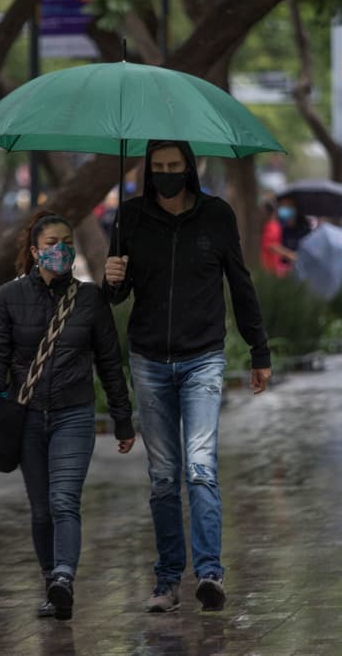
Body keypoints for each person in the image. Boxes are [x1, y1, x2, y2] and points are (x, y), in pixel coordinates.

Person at [104, 140, 272, 614]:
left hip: (203, 358)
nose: (166, 173)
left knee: (200, 468)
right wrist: (112, 277)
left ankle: (210, 572)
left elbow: (239, 282)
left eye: (174, 166)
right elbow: (115, 297)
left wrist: (259, 349)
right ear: (147, 171)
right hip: (149, 360)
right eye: (158, 167)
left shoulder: (216, 216)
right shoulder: (131, 217)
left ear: (190, 168)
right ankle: (167, 579)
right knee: (163, 477)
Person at [0, 210, 135, 621]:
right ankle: (51, 583)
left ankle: (64, 577)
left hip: (73, 414)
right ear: (34, 251)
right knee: (42, 509)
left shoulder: (89, 298)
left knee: (64, 500)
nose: (60, 249)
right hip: (27, 416)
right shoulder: (10, 297)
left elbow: (109, 362)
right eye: (51, 244)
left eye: (66, 242)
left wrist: (122, 418)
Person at [259, 199, 294, 276]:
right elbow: (271, 245)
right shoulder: (272, 226)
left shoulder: (273, 225)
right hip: (270, 267)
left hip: (272, 266)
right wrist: (290, 255)